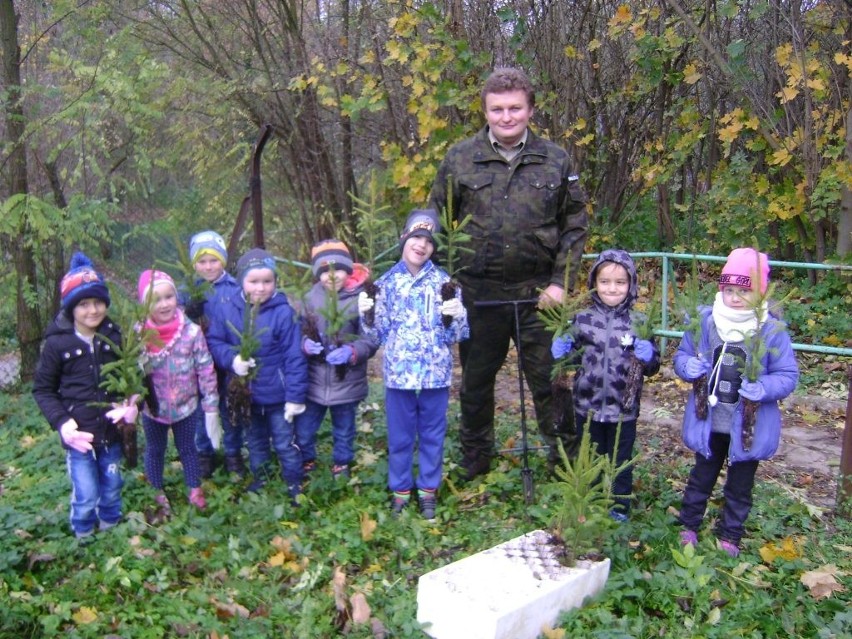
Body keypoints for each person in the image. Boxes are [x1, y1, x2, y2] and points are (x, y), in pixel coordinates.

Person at [428, 66, 589, 480]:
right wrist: (447, 279)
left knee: (552, 381)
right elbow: (437, 219)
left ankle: (565, 468)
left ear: (530, 110)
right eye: (497, 109)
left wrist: (560, 282)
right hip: (478, 294)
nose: (506, 117)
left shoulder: (554, 159)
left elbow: (574, 225)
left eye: (515, 108)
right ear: (485, 110)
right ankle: (476, 462)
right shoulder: (461, 159)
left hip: (539, 294)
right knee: (476, 384)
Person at [673, 248, 798, 557]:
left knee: (740, 485)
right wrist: (686, 367)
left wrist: (763, 387)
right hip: (710, 421)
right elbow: (683, 353)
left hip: (747, 427)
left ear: (759, 292)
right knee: (702, 475)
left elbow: (787, 374)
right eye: (729, 289)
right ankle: (689, 524)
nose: (736, 297)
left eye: (745, 290)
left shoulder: (771, 331)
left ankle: (730, 533)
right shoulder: (706, 321)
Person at [359, 209, 469, 521]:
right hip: (399, 375)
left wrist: (456, 315)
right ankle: (400, 490)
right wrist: (366, 312)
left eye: (428, 241)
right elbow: (376, 334)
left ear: (434, 248)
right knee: (400, 435)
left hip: (435, 373)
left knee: (433, 433)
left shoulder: (446, 283)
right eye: (416, 238)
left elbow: (458, 335)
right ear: (404, 239)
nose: (421, 245)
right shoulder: (385, 284)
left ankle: (428, 491)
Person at [551, 249, 660, 521]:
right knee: (591, 456)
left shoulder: (639, 322)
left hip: (623, 408)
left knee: (620, 461)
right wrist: (560, 349)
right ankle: (593, 501)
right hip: (586, 406)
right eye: (605, 282)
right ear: (594, 283)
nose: (612, 288)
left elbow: (653, 366)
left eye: (620, 282)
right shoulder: (582, 320)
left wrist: (650, 357)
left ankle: (619, 507)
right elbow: (570, 354)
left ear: (631, 284)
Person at [33, 252, 128, 540]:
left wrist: (130, 404)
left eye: (98, 302)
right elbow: (43, 389)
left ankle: (110, 527)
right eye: (83, 304)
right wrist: (63, 422)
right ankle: (83, 532)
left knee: (112, 484)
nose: (93, 310)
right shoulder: (56, 343)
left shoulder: (113, 334)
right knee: (86, 491)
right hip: (79, 435)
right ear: (71, 307)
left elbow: (129, 375)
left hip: (112, 430)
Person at [206, 248, 308, 501]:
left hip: (278, 396)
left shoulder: (283, 313)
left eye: (267, 281)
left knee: (284, 441)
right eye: (254, 281)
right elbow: (215, 341)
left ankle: (294, 481)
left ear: (275, 281)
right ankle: (261, 477)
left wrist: (295, 397)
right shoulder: (228, 309)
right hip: (247, 395)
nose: (260, 288)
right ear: (242, 280)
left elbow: (294, 356)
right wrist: (232, 360)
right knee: (255, 440)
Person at [295, 240, 378, 480]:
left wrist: (352, 352)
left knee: (344, 428)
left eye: (338, 269)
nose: (332, 276)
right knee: (306, 427)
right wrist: (305, 344)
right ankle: (306, 458)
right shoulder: (311, 299)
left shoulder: (360, 299)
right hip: (314, 381)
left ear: (348, 269)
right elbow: (298, 331)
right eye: (324, 271)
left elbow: (370, 338)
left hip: (347, 382)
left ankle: (342, 463)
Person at [137, 269, 219, 513]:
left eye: (169, 297)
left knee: (188, 448)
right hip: (154, 408)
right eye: (156, 299)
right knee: (155, 449)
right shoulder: (139, 334)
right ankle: (155, 489)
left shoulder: (191, 332)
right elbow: (131, 372)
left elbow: (205, 367)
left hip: (186, 405)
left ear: (177, 297)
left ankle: (194, 487)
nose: (164, 304)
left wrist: (211, 405)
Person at [183, 230, 246, 479]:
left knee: (231, 408)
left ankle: (233, 452)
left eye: (214, 260)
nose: (208, 267)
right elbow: (174, 323)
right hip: (198, 363)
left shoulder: (236, 287)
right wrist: (188, 312)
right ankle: (204, 453)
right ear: (194, 264)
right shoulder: (188, 291)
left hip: (230, 360)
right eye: (202, 262)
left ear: (223, 260)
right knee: (202, 410)